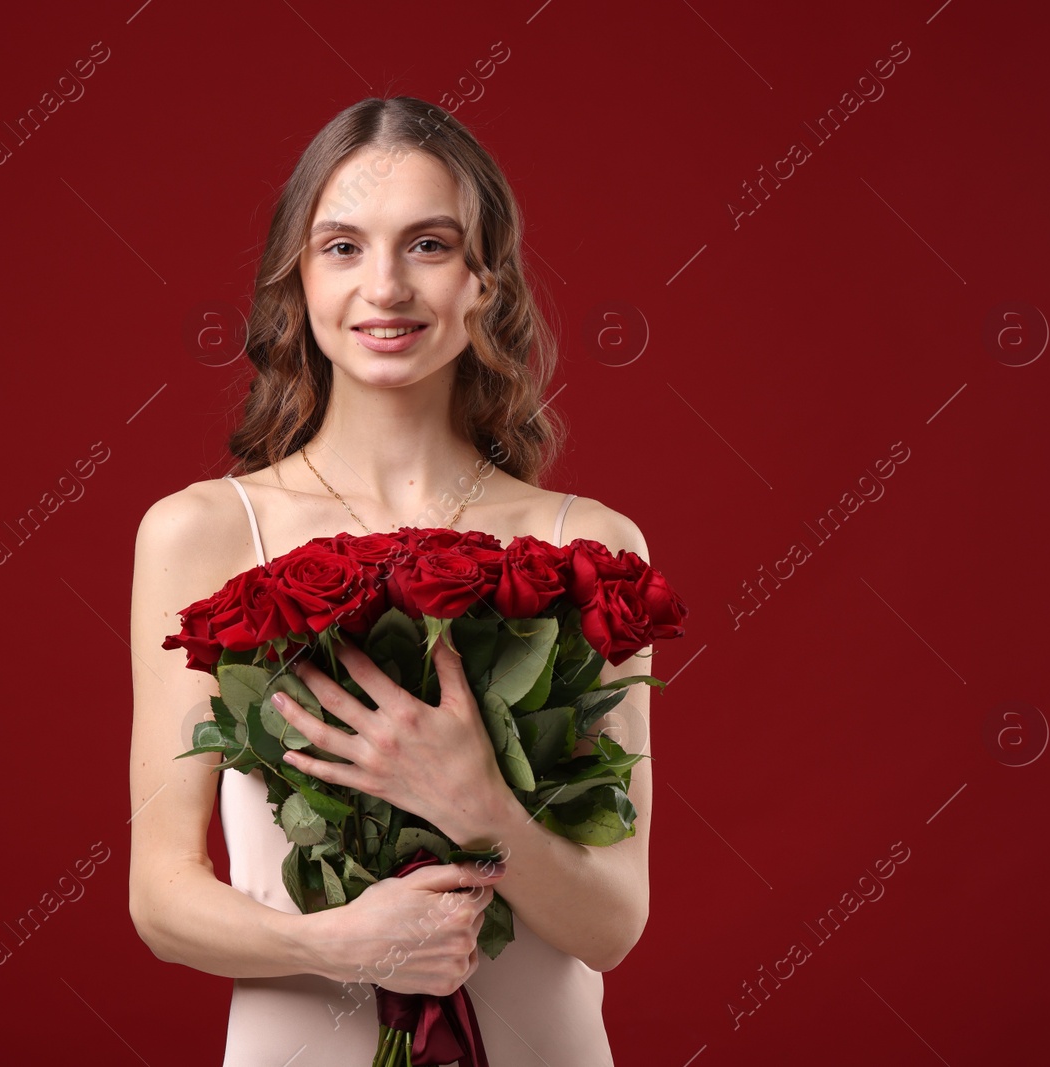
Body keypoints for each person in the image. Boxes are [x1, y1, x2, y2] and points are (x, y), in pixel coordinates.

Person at [127, 96, 655, 1066]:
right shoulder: (200, 531)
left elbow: (612, 920)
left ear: (485, 279)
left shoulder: (587, 544)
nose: (384, 286)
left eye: (427, 244)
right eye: (341, 246)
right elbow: (160, 894)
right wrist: (333, 941)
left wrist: (483, 807)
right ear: (297, 275)